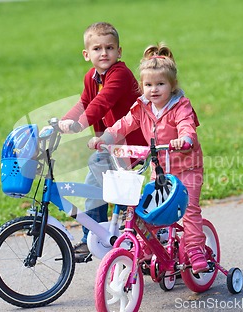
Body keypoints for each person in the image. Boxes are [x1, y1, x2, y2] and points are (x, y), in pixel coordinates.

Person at [87, 43, 208, 273]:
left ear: (172, 86)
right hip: (160, 168)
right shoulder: (142, 106)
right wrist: (106, 137)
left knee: (190, 209)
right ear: (142, 86)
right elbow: (124, 124)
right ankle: (147, 247)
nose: (154, 90)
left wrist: (184, 139)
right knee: (149, 210)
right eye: (148, 84)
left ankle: (195, 249)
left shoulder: (181, 106)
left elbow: (187, 126)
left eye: (160, 84)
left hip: (187, 167)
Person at [58, 22, 146, 261]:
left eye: (109, 47)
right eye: (97, 48)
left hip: (131, 142)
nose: (104, 53)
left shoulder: (120, 74)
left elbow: (102, 102)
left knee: (107, 181)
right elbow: (85, 103)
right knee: (92, 189)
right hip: (109, 145)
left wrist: (79, 125)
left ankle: (135, 221)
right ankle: (92, 237)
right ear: (87, 55)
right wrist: (63, 122)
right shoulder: (91, 77)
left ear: (119, 52)